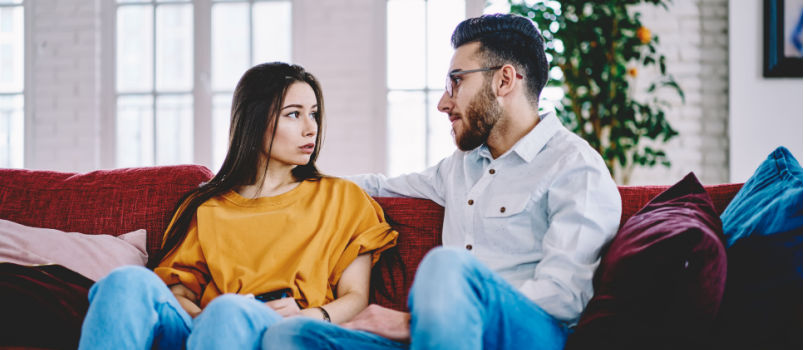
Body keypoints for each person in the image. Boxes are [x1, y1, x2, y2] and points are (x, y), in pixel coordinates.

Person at [261, 13, 621, 350]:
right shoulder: (462, 166)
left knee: (446, 265)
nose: (443, 103)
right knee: (292, 334)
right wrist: (277, 182)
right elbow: (377, 186)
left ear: (505, 80)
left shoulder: (575, 167)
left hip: (532, 333)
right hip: (439, 334)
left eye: (456, 81)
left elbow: (564, 297)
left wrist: (416, 320)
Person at [77, 62, 398, 350]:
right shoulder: (210, 207)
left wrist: (311, 315)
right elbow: (181, 293)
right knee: (125, 281)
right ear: (255, 122)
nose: (310, 127)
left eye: (313, 113)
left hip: (281, 327)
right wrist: (206, 318)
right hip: (207, 327)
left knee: (228, 309)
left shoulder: (342, 198)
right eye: (294, 114)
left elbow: (356, 297)